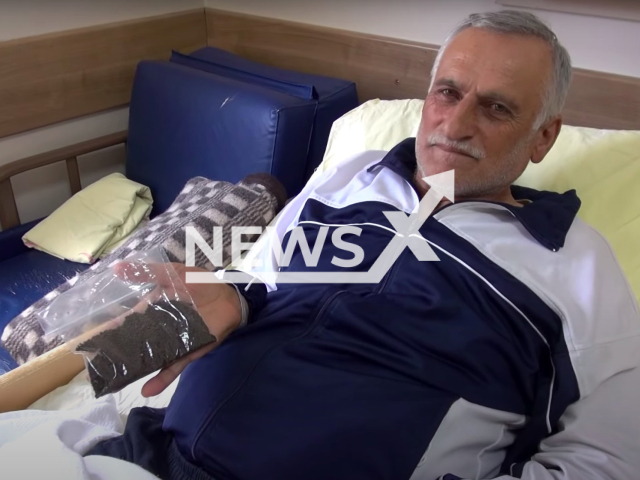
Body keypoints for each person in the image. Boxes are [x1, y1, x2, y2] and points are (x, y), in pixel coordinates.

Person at [89, 10, 640, 480]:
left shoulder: (575, 263)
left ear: (543, 136)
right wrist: (238, 297)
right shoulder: (352, 175)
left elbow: (606, 456)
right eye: (447, 92)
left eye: (497, 108)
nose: (456, 123)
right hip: (154, 453)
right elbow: (272, 280)